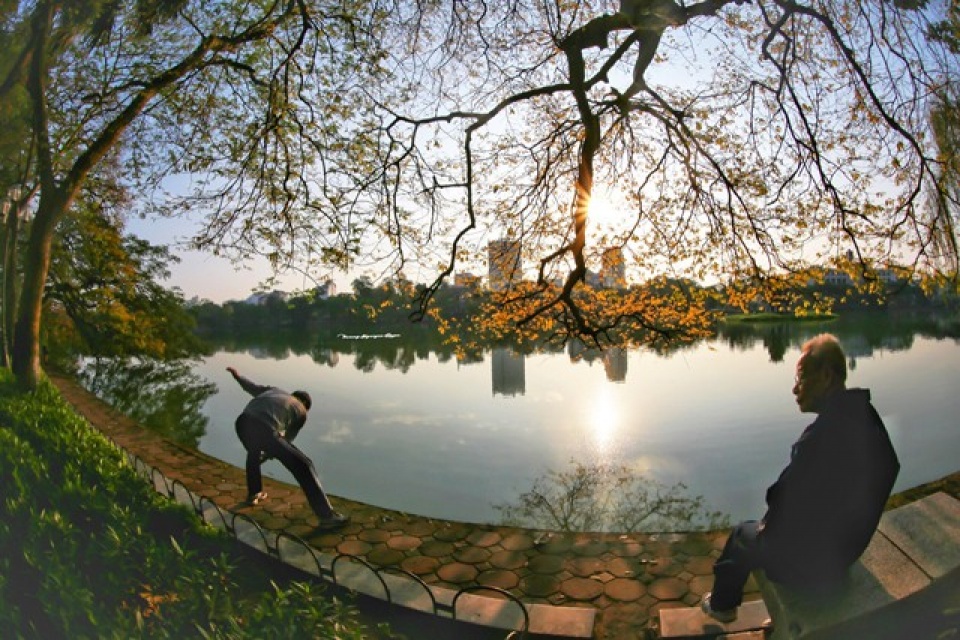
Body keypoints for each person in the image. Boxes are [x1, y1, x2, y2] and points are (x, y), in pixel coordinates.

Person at [701, 334, 899, 622]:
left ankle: (722, 606)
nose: (795, 389)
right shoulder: (866, 416)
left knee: (742, 535)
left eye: (801, 378)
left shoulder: (821, 438)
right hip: (847, 549)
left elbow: (781, 501)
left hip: (812, 566)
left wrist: (766, 531)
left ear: (827, 376)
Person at [227, 366, 349, 530]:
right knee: (304, 465)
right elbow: (286, 440)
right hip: (264, 427)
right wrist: (272, 452)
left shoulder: (274, 391)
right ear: (305, 404)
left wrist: (237, 376)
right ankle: (327, 516)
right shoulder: (301, 411)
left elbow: (252, 387)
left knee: (253, 453)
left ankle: (254, 494)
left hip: (242, 423)